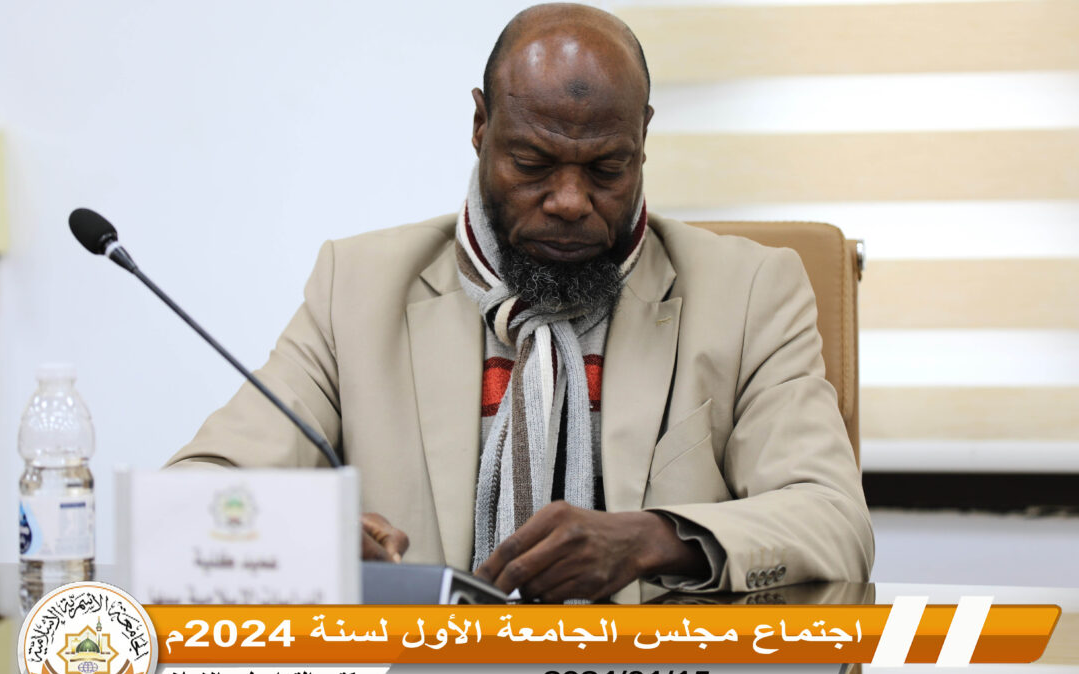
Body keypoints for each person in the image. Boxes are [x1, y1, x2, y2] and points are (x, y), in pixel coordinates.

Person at [167, 3, 873, 603]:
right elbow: (191, 497)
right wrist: (305, 532)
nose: (569, 201)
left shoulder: (749, 292)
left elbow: (833, 519)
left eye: (607, 169)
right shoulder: (356, 288)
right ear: (481, 126)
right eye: (532, 164)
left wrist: (655, 537)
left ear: (643, 139)